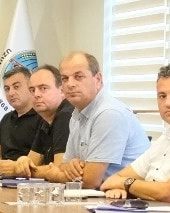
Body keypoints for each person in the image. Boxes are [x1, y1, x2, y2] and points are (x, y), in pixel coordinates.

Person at [35, 51, 149, 188]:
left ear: (98, 80)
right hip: (100, 194)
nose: (70, 84)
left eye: (78, 77)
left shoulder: (109, 113)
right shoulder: (76, 114)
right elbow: (64, 166)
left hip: (128, 196)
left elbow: (90, 181)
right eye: (65, 79)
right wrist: (71, 166)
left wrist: (53, 175)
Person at [101, 62, 170, 204]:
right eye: (162, 96)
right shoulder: (167, 136)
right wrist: (120, 186)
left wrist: (126, 184)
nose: (168, 103)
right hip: (146, 211)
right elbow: (113, 180)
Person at [0, 64, 71, 177]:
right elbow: (32, 162)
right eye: (32, 90)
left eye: (43, 88)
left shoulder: (66, 115)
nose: (36, 95)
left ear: (62, 90)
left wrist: (17, 169)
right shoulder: (46, 120)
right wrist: (22, 162)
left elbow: (59, 170)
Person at [0, 64, 41, 163]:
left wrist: (4, 166)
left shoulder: (42, 118)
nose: (11, 93)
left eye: (16, 87)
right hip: (2, 170)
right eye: (7, 89)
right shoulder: (6, 118)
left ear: (31, 88)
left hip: (26, 170)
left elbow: (35, 162)